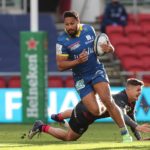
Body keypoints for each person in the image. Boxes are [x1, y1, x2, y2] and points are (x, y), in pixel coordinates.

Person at [55, 10, 132, 142]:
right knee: (95, 111)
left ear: (78, 22)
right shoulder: (62, 41)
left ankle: (125, 134)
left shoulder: (89, 29)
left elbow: (102, 47)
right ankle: (105, 102)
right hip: (80, 78)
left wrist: (110, 49)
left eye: (72, 24)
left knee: (108, 100)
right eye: (66, 24)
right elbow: (61, 66)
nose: (69, 27)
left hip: (96, 70)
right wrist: (77, 61)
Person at [27, 79, 150, 141]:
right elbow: (121, 115)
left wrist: (138, 139)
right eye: (138, 90)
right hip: (84, 114)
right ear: (128, 89)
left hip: (84, 109)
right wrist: (136, 126)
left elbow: (131, 119)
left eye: (141, 90)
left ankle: (59, 117)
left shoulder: (130, 102)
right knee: (69, 137)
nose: (140, 93)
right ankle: (41, 126)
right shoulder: (121, 99)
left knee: (75, 114)